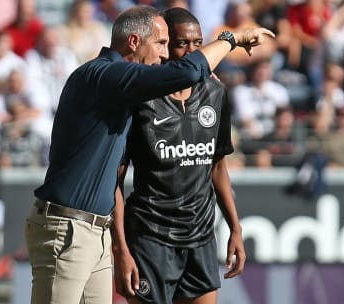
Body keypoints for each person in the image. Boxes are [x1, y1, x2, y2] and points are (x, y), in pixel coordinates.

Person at [24, 4, 273, 304]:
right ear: (133, 42)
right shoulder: (106, 76)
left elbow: (187, 78)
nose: (166, 54)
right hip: (69, 228)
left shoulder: (121, 84)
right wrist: (232, 39)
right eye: (162, 43)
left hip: (97, 230)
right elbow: (187, 71)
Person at [112, 7, 244, 304]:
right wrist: (120, 249)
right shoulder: (139, 100)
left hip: (200, 237)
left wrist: (235, 228)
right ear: (164, 45)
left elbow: (218, 167)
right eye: (182, 43)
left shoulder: (214, 92)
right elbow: (115, 183)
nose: (191, 52)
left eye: (198, 44)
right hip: (150, 237)